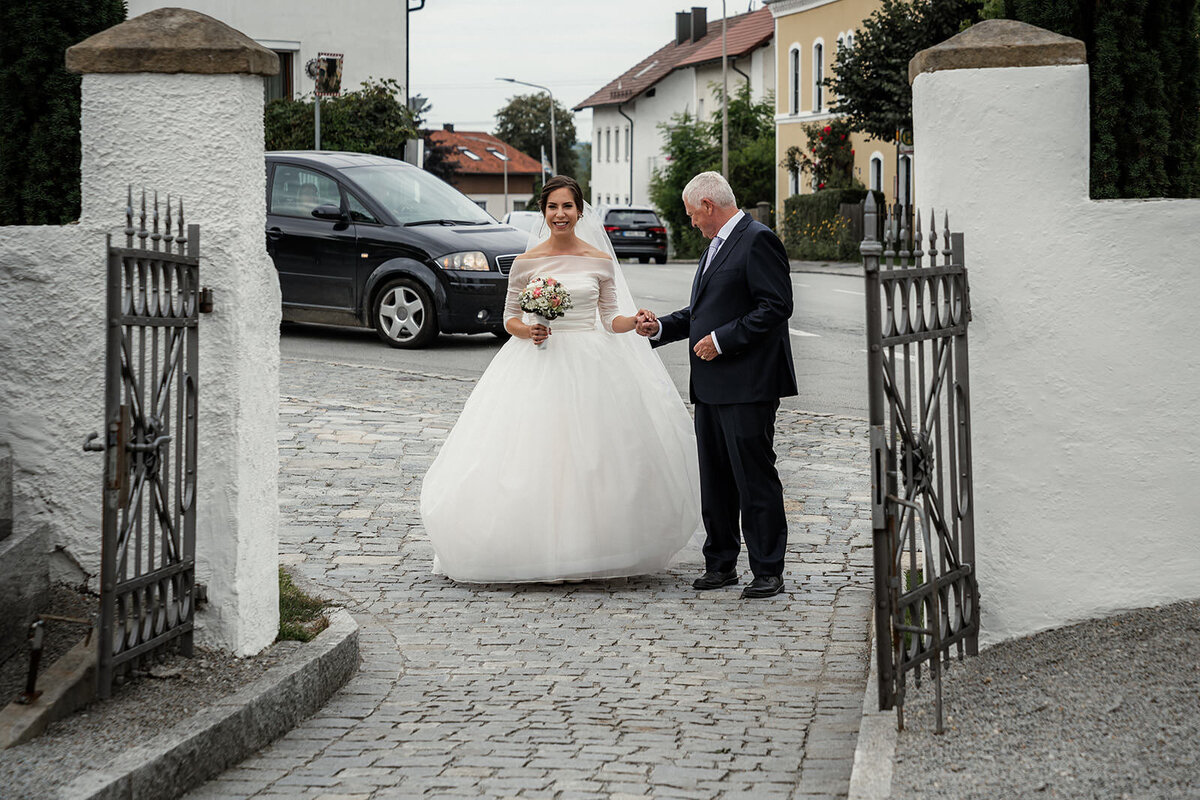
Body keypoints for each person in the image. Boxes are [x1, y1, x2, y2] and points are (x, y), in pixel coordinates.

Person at [420, 176, 700, 583]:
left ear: (580, 212)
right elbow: (509, 317)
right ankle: (529, 546)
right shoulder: (526, 262)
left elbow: (610, 318)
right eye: (552, 207)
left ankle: (596, 548)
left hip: (592, 361)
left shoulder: (599, 261)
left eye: (567, 207)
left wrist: (636, 322)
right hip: (537, 360)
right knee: (533, 451)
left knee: (596, 455)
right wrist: (525, 331)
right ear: (544, 212)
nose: (560, 214)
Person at [635, 172, 797, 599]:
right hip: (708, 387)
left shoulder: (758, 239)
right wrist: (659, 329)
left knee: (753, 478)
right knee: (717, 480)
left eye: (691, 214)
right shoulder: (716, 246)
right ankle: (721, 563)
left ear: (708, 206)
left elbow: (776, 307)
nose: (691, 223)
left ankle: (767, 570)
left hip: (748, 384)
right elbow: (701, 312)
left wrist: (723, 341)